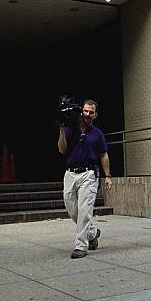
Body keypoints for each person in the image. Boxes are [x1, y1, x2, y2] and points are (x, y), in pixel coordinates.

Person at [57, 99, 112, 259]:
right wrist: (61, 129)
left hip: (89, 174)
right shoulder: (70, 129)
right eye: (86, 111)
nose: (88, 114)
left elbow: (104, 155)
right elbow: (62, 150)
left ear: (95, 115)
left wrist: (107, 176)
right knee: (71, 207)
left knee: (84, 211)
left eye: (91, 112)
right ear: (82, 111)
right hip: (70, 173)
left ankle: (81, 245)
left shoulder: (97, 134)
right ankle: (93, 233)